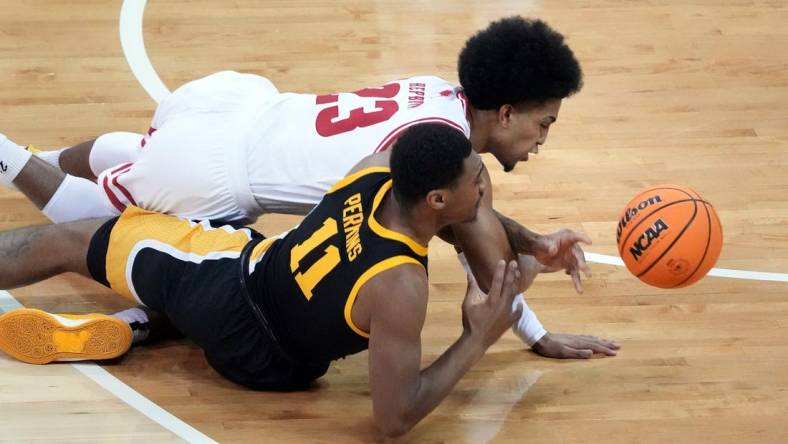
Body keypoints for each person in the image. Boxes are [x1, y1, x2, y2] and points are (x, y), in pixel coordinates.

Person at [0, 17, 619, 358]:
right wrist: (536, 335)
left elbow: (471, 221)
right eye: (543, 124)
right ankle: (8, 156)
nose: (543, 141)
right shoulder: (452, 159)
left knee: (130, 161)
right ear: (505, 114)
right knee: (88, 230)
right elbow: (486, 256)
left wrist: (534, 242)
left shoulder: (440, 95)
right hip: (215, 172)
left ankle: (47, 168)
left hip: (231, 104)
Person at [2, 124, 541, 436]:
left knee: (82, 237)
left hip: (238, 292)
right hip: (266, 347)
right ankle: (141, 324)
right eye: (479, 180)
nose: (485, 186)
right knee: (139, 240)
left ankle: (157, 312)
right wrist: (477, 337)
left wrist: (525, 251)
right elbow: (395, 418)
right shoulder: (399, 285)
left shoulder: (377, 166)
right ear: (437, 200)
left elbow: (392, 418)